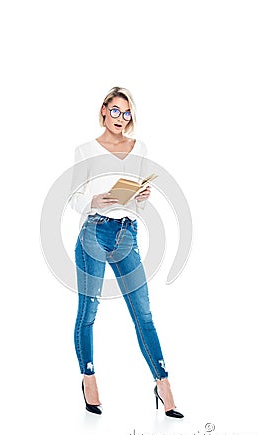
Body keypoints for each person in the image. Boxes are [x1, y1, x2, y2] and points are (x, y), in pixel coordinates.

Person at [70, 86, 183, 418]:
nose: (121, 118)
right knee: (88, 312)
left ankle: (163, 384)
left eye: (127, 112)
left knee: (143, 314)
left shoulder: (140, 148)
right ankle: (89, 378)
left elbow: (136, 202)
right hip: (93, 230)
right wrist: (92, 200)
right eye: (115, 111)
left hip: (127, 235)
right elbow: (75, 196)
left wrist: (142, 198)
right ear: (104, 111)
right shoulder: (85, 149)